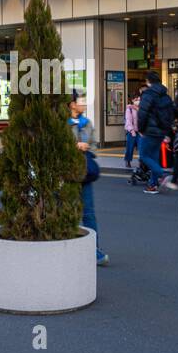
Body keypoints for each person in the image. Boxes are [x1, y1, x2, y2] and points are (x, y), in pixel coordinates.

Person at [69, 92, 109, 266]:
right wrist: (74, 146)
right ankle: (68, 246)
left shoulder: (87, 123)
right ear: (71, 104)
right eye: (81, 102)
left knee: (89, 213)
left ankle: (94, 250)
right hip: (66, 174)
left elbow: (93, 145)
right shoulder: (61, 124)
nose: (84, 105)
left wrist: (87, 148)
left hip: (84, 173)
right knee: (67, 212)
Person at [136, 71, 177, 194]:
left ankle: (161, 175)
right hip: (161, 131)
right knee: (153, 157)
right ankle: (152, 185)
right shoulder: (166, 96)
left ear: (148, 81)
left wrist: (141, 129)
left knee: (144, 156)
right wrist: (166, 132)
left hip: (149, 131)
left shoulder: (148, 94)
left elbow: (142, 114)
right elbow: (171, 114)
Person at [123, 89, 141, 168]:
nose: (137, 100)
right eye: (135, 99)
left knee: (141, 148)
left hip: (140, 132)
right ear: (132, 100)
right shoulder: (129, 109)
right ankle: (128, 161)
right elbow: (128, 121)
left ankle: (142, 163)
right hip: (131, 132)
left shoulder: (142, 108)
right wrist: (132, 130)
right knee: (129, 148)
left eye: (138, 98)